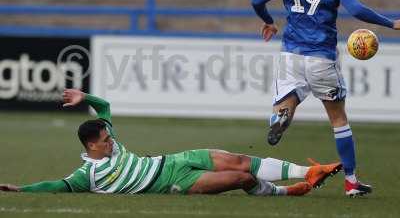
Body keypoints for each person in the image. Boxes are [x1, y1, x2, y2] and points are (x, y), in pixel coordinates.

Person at [251, 0, 400, 197]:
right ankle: (351, 182)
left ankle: (280, 118)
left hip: (290, 56)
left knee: (287, 100)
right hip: (321, 57)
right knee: (339, 120)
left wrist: (269, 21)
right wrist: (390, 23)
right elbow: (355, 8)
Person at [0, 89, 341, 196]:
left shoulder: (111, 142)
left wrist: (83, 96)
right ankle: (286, 191)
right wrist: (21, 190)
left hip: (175, 159)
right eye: (104, 139)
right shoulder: (86, 175)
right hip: (176, 182)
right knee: (242, 179)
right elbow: (55, 185)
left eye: (107, 135)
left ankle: (308, 172)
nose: (110, 139)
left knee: (237, 159)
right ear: (92, 146)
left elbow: (104, 108)